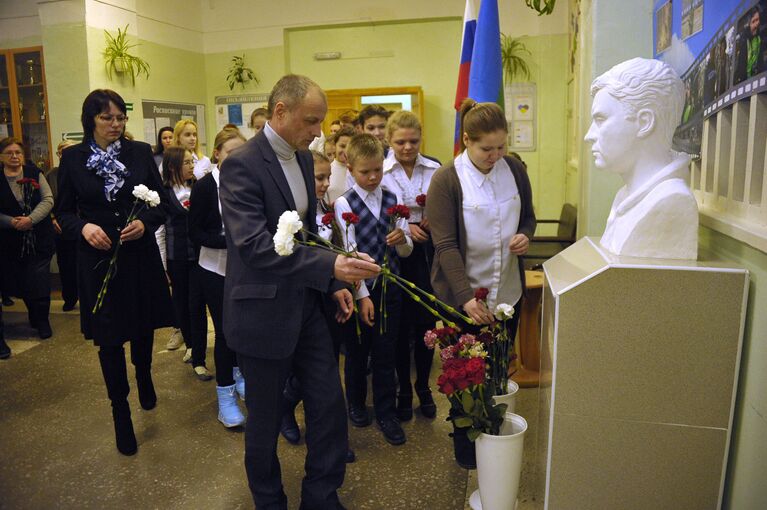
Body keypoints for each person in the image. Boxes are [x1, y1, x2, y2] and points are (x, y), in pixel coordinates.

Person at [218, 74, 379, 510]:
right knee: (265, 422)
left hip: (306, 305)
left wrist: (330, 285)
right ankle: (270, 502)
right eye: (311, 121)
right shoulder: (242, 164)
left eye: (321, 122)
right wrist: (333, 267)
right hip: (261, 313)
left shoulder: (306, 160)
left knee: (329, 405)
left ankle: (321, 495)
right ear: (280, 112)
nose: (318, 132)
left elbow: (303, 236)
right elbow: (253, 246)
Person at [56, 89, 174, 455]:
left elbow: (162, 202)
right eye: (108, 118)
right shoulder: (73, 159)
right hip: (97, 260)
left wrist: (145, 222)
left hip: (137, 255)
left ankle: (143, 371)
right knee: (109, 336)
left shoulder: (138, 153)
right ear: (90, 119)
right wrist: (84, 229)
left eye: (121, 118)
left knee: (140, 326)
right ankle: (119, 409)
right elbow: (63, 212)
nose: (116, 125)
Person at [427, 99, 535, 338]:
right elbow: (445, 245)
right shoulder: (446, 179)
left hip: (508, 293)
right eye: (486, 149)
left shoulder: (514, 169)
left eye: (501, 147)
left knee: (500, 366)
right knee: (465, 371)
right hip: (463, 298)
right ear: (466, 140)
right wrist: (466, 297)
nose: (495, 155)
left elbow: (528, 217)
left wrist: (525, 235)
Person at [334, 133, 413, 446]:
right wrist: (362, 294)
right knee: (356, 351)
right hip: (359, 290)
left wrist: (403, 240)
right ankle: (355, 402)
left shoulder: (393, 199)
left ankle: (386, 411)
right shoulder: (344, 203)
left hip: (390, 287)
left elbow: (405, 252)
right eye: (365, 171)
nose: (372, 177)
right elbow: (350, 252)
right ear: (350, 168)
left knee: (386, 351)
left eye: (378, 170)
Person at [279, 150, 357, 464]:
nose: (325, 184)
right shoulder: (291, 216)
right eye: (318, 178)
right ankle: (287, 407)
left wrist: (340, 286)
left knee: (326, 374)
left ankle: (329, 441)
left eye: (327, 177)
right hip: (305, 300)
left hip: (332, 295)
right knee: (308, 373)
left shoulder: (331, 206)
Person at [585, 58, 699, 259]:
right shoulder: (624, 196)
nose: (589, 135)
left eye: (600, 120)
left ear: (645, 122)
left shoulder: (672, 200)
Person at [380, 110, 441, 421]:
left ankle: (424, 387)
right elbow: (378, 211)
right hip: (396, 252)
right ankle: (403, 387)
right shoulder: (383, 171)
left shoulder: (435, 168)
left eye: (413, 141)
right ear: (389, 141)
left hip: (427, 254)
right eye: (401, 141)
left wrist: (435, 218)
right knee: (401, 328)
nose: (407, 147)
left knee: (426, 325)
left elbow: (446, 206)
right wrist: (406, 229)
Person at [189, 127, 247, 426]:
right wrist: (228, 241)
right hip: (214, 268)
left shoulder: (248, 183)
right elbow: (194, 232)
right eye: (230, 154)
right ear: (217, 154)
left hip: (244, 269)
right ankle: (225, 396)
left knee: (242, 329)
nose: (237, 159)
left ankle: (239, 375)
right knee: (225, 333)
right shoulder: (204, 187)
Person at [156, 146, 211, 380]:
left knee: (196, 306)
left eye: (193, 161)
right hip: (176, 257)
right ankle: (190, 345)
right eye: (187, 162)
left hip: (200, 256)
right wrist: (162, 266)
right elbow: (159, 231)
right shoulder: (164, 193)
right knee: (181, 305)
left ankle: (199, 358)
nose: (192, 166)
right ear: (172, 167)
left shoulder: (199, 188)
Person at [0, 137, 56, 339]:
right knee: (22, 281)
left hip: (39, 237)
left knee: (39, 280)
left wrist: (30, 220)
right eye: (10, 153)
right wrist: (11, 221)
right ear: (2, 156)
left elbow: (48, 200)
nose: (15, 156)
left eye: (18, 153)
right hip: (11, 242)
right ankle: (33, 313)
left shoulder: (35, 173)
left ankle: (42, 320)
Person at [47, 139, 79, 311]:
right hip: (61, 227)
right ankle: (69, 297)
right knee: (66, 264)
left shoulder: (85, 172)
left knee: (83, 264)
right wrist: (52, 218)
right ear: (59, 155)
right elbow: (46, 200)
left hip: (83, 226)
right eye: (63, 152)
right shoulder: (51, 174)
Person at [326, 125, 355, 203]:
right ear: (335, 145)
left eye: (350, 147)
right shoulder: (327, 170)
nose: (346, 151)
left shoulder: (359, 171)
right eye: (342, 146)